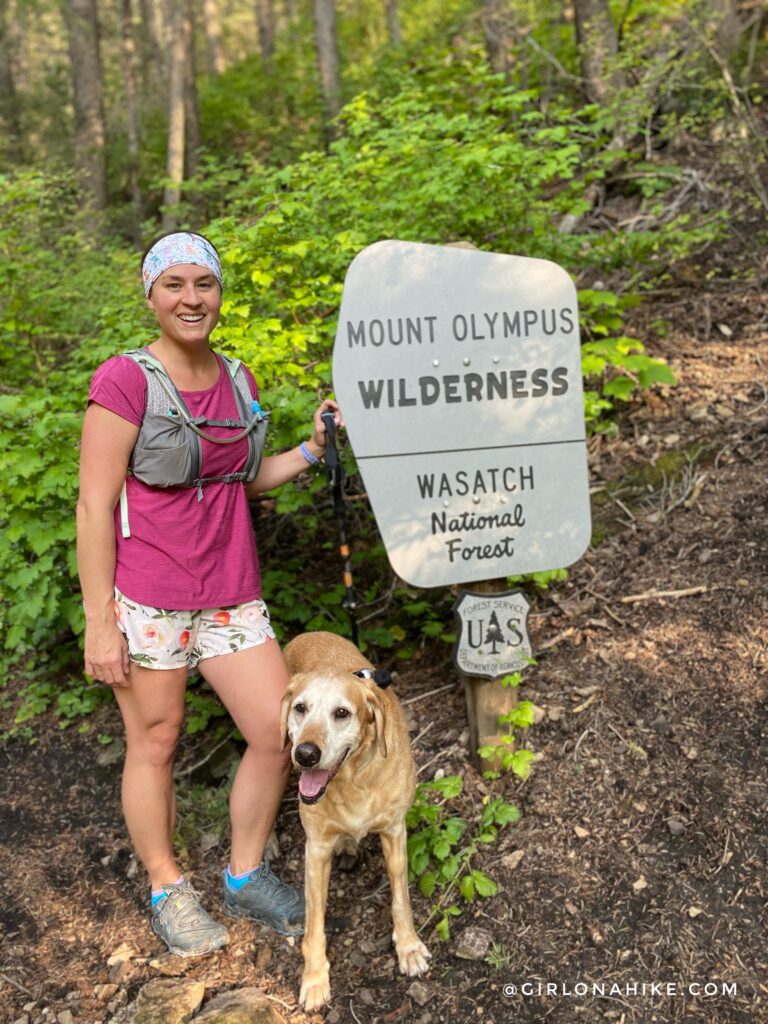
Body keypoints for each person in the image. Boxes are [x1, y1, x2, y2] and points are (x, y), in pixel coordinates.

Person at [76, 231, 341, 957]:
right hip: (151, 598)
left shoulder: (237, 376)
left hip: (230, 591)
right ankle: (167, 886)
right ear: (151, 293)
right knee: (155, 741)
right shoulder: (125, 381)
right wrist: (103, 622)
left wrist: (313, 449)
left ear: (219, 293)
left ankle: (244, 874)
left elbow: (240, 475)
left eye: (205, 284)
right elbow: (94, 505)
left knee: (276, 733)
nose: (192, 298)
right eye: (175, 285)